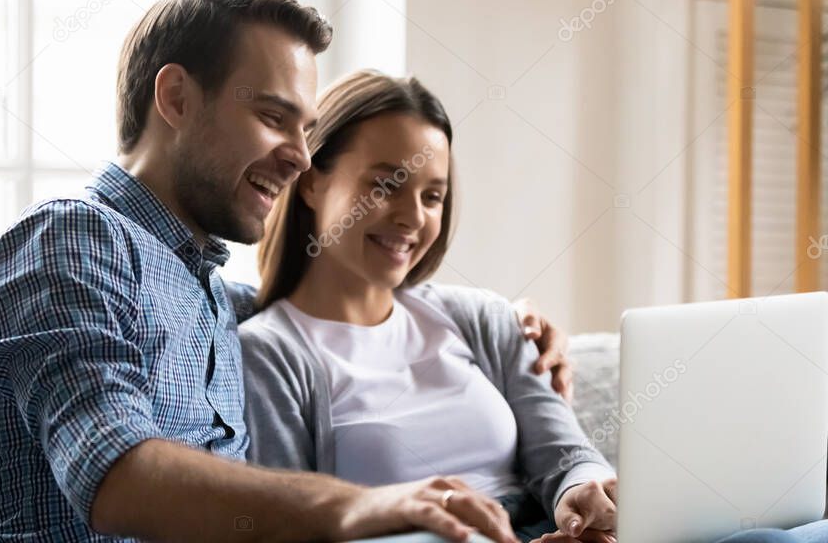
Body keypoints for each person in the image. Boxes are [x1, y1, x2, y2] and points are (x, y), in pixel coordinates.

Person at [0, 0, 571, 543]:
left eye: (306, 129)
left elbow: (333, 310)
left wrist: (510, 329)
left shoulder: (213, 294)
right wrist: (362, 506)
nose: (301, 157)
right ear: (177, 98)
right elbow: (118, 474)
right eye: (274, 118)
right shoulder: (69, 241)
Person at [238, 69, 828, 543]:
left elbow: (564, 451)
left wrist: (584, 495)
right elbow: (293, 524)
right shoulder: (271, 352)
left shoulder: (480, 318)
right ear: (311, 181)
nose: (413, 217)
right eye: (385, 184)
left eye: (432, 195)